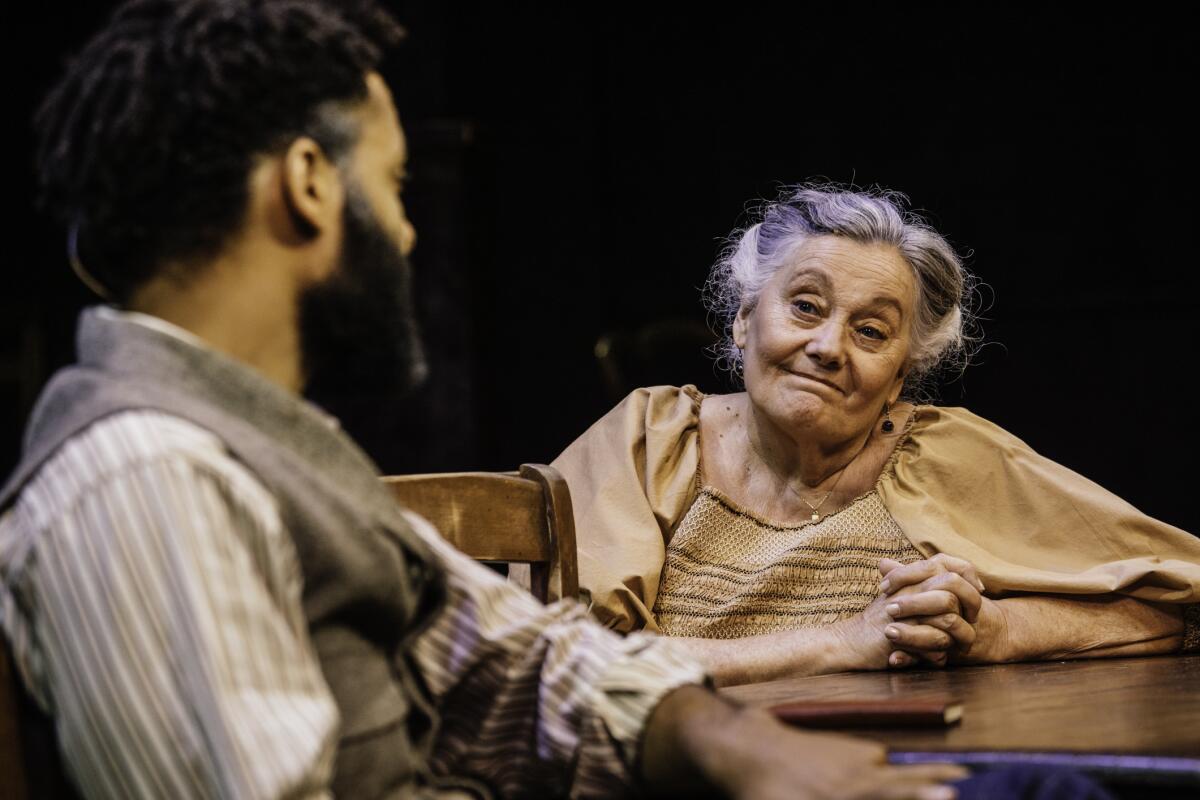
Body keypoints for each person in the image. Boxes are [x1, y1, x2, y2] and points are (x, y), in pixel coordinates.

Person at [0, 2, 972, 798]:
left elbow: (515, 651)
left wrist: (731, 744)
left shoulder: (268, 446)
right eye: (391, 186)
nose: (410, 235)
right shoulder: (145, 471)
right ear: (307, 184)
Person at [552, 185, 1200, 686]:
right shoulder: (649, 439)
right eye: (806, 305)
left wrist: (1000, 631)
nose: (829, 347)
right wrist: (848, 640)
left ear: (899, 378)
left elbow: (1181, 592)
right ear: (745, 320)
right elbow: (566, 659)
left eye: (871, 331)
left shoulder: (945, 458)